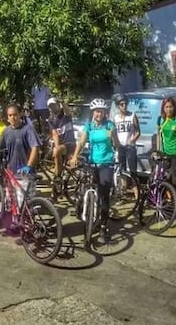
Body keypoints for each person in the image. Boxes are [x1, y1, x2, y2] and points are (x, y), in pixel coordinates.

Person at [68, 98, 119, 242]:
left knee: (104, 195)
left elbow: (117, 145)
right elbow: (81, 142)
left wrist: (113, 136)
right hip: (92, 162)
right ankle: (86, 213)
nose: (99, 114)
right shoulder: (89, 126)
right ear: (93, 112)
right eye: (97, 111)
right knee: (85, 188)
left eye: (101, 112)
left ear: (105, 112)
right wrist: (75, 156)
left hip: (106, 163)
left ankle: (103, 226)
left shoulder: (109, 125)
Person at [0, 103, 40, 175]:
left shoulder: (28, 129)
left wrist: (29, 166)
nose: (12, 117)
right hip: (12, 173)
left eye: (15, 115)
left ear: (20, 114)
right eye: (10, 115)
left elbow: (35, 148)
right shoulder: (6, 131)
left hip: (26, 173)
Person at [113, 93, 141, 196]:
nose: (124, 106)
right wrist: (115, 143)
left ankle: (137, 194)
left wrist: (132, 140)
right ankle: (123, 193)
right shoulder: (115, 118)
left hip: (130, 147)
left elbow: (138, 132)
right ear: (118, 106)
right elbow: (114, 133)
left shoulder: (132, 116)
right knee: (122, 171)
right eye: (121, 104)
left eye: (125, 104)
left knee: (133, 171)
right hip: (120, 147)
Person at [156, 97, 176, 188]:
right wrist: (158, 151)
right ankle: (169, 195)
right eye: (166, 107)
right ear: (163, 108)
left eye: (171, 107)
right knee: (164, 178)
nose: (169, 109)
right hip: (165, 153)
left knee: (174, 180)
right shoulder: (160, 119)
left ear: (174, 107)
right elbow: (158, 135)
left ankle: (175, 194)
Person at [47, 98, 76, 182]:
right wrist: (57, 147)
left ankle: (58, 176)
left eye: (54, 105)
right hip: (62, 145)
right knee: (56, 151)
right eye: (51, 106)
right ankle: (59, 175)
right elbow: (55, 134)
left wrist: (61, 101)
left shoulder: (65, 114)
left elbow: (68, 111)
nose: (53, 107)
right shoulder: (51, 119)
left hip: (70, 143)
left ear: (58, 105)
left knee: (57, 151)